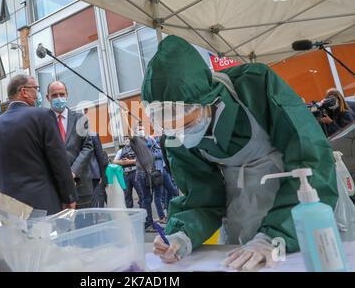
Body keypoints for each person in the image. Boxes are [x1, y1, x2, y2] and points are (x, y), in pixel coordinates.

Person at [143, 36, 338, 270]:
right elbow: (201, 195)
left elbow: (311, 159)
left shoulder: (255, 85)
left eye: (187, 123)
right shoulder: (176, 138)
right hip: (243, 221)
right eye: (170, 126)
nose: (180, 133)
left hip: (302, 209)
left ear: (208, 101)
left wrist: (275, 236)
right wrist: (182, 234)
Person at [0, 75, 77, 215]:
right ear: (24, 92)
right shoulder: (43, 116)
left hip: (10, 210)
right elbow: (58, 160)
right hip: (43, 205)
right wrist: (69, 197)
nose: (37, 94)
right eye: (36, 89)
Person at [46, 81, 94, 209]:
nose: (59, 98)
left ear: (67, 95)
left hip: (81, 185)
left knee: (85, 225)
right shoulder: (43, 121)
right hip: (55, 188)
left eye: (62, 94)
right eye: (54, 95)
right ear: (47, 98)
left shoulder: (80, 119)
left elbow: (88, 147)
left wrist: (73, 172)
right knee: (61, 227)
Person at [147, 135, 178, 224]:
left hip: (165, 169)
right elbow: (152, 154)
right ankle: (161, 217)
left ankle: (169, 212)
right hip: (157, 172)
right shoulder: (150, 140)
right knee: (158, 195)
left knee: (172, 190)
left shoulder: (160, 138)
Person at [113, 138, 144, 210]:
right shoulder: (120, 151)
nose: (127, 140)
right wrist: (122, 162)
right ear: (124, 141)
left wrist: (130, 161)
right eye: (125, 139)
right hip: (125, 174)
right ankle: (130, 211)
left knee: (141, 192)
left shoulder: (136, 149)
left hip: (136, 173)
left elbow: (140, 159)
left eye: (128, 139)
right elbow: (114, 161)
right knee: (127, 194)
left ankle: (143, 209)